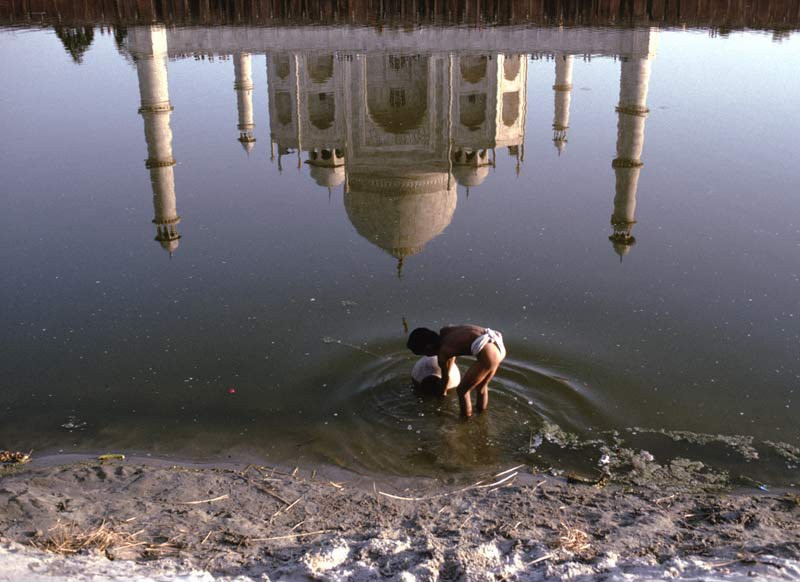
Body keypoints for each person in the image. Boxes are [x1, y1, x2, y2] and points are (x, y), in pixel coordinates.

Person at [406, 325, 506, 417]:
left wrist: (440, 400)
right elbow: (452, 356)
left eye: (425, 354)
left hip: (488, 354)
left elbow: (445, 379)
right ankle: (481, 416)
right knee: (481, 387)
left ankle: (464, 422)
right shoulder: (446, 331)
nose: (427, 356)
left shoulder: (443, 354)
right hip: (496, 343)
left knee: (462, 390)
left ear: (428, 348)